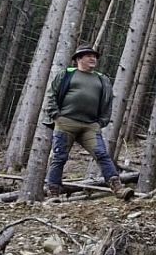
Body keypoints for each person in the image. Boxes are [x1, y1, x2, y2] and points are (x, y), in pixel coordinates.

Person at [41, 45, 123, 198]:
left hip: (90, 126)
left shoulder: (101, 79)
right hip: (66, 122)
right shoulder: (66, 74)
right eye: (88, 56)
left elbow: (108, 102)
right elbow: (52, 94)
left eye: (94, 56)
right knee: (59, 157)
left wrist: (101, 122)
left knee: (102, 154)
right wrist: (56, 115)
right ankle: (53, 194)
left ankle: (118, 188)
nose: (93, 58)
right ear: (78, 59)